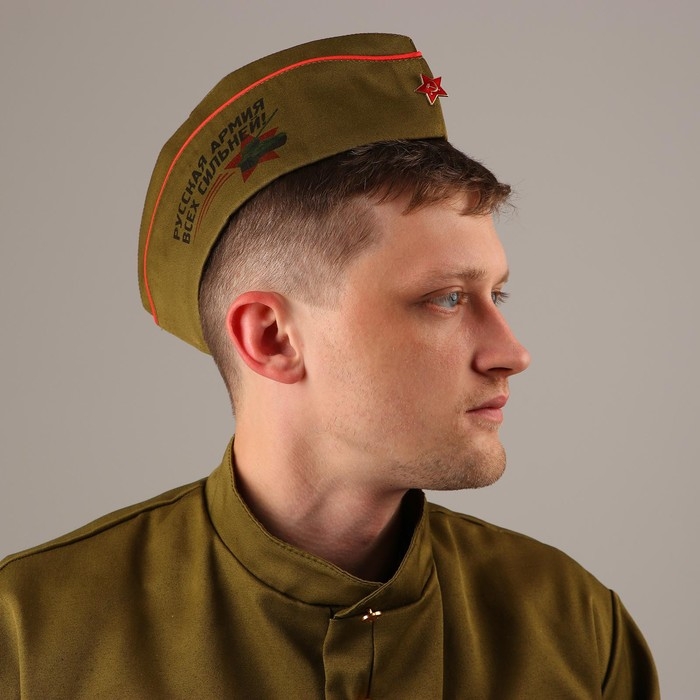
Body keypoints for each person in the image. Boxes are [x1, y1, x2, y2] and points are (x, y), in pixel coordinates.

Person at [0, 33, 658, 698]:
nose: (512, 353)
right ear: (271, 339)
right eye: (446, 299)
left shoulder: (576, 630)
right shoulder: (30, 639)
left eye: (497, 295)